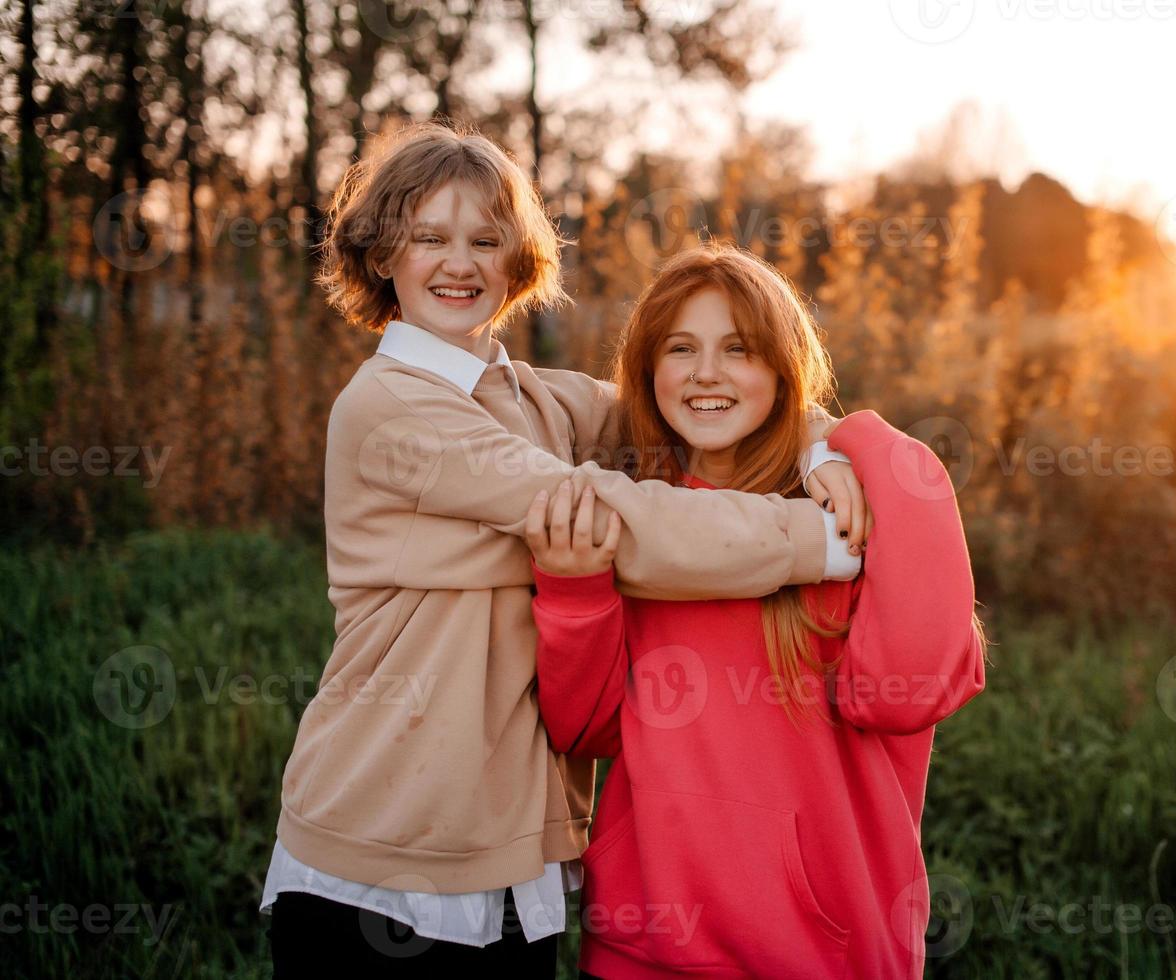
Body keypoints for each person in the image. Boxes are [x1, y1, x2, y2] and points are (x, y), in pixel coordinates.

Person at [261, 122, 867, 976]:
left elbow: (688, 396)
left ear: (519, 263)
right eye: (429, 238)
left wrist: (823, 442)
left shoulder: (536, 398)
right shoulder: (387, 407)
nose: (459, 262)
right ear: (381, 255)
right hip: (380, 846)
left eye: (485, 240)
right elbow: (607, 520)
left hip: (518, 854)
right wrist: (824, 542)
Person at [528, 243, 988, 979]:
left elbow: (915, 689)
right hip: (642, 948)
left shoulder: (843, 512)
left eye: (737, 349)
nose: (705, 373)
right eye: (681, 349)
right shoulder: (640, 524)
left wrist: (849, 438)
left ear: (782, 367)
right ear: (649, 373)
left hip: (824, 952)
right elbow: (586, 728)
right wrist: (575, 592)